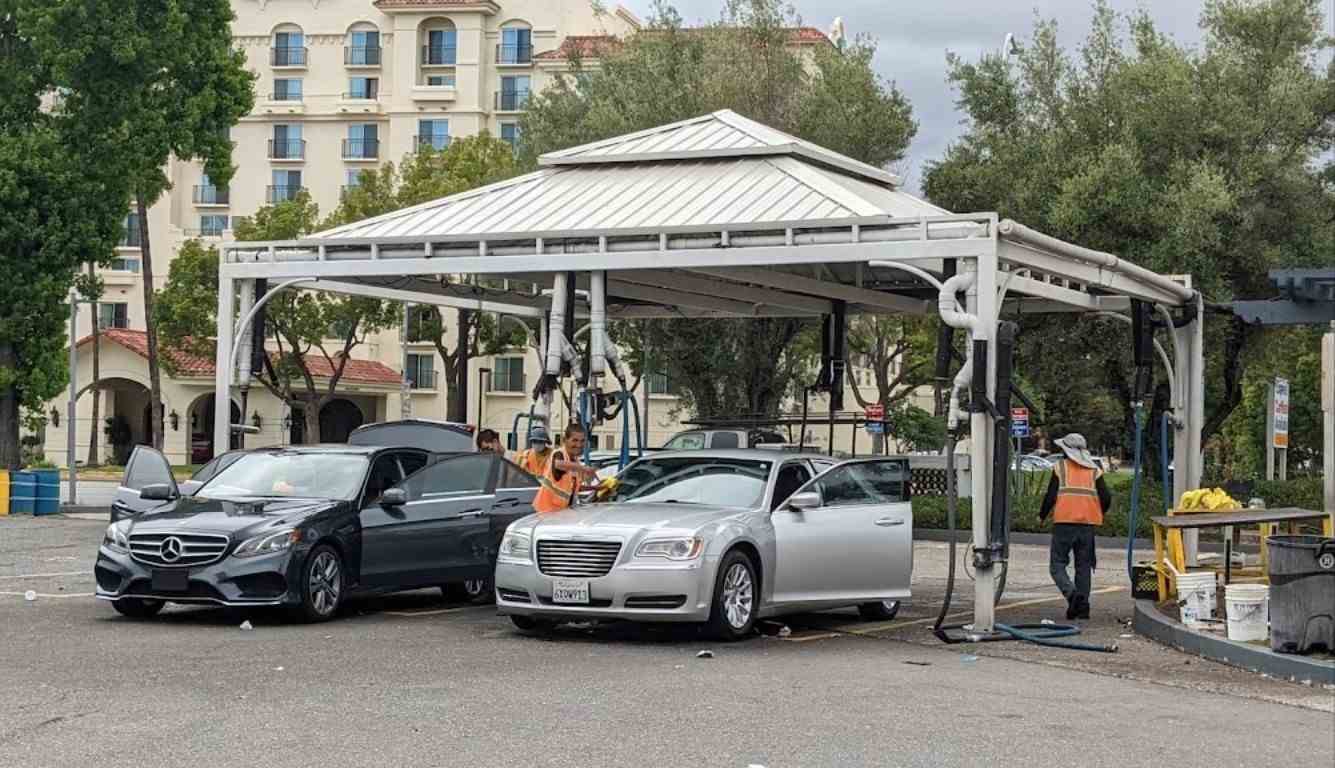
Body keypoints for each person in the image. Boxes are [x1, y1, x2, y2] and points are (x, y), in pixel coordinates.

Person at [1039, 433, 1112, 620]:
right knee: (1084, 566)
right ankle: (1083, 607)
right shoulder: (1094, 470)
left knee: (1057, 565)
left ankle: (1072, 596)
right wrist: (1097, 511)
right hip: (1087, 525)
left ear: (1065, 450)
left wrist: (1042, 515)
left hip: (1064, 523)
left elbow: (1050, 495)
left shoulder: (1060, 468)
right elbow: (1106, 497)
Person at [532, 422, 599, 514]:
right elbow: (558, 464)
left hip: (560, 513)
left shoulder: (575, 462)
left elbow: (574, 489)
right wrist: (584, 468)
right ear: (565, 440)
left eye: (582, 441)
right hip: (546, 512)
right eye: (574, 440)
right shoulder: (559, 454)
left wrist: (595, 488)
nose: (579, 445)